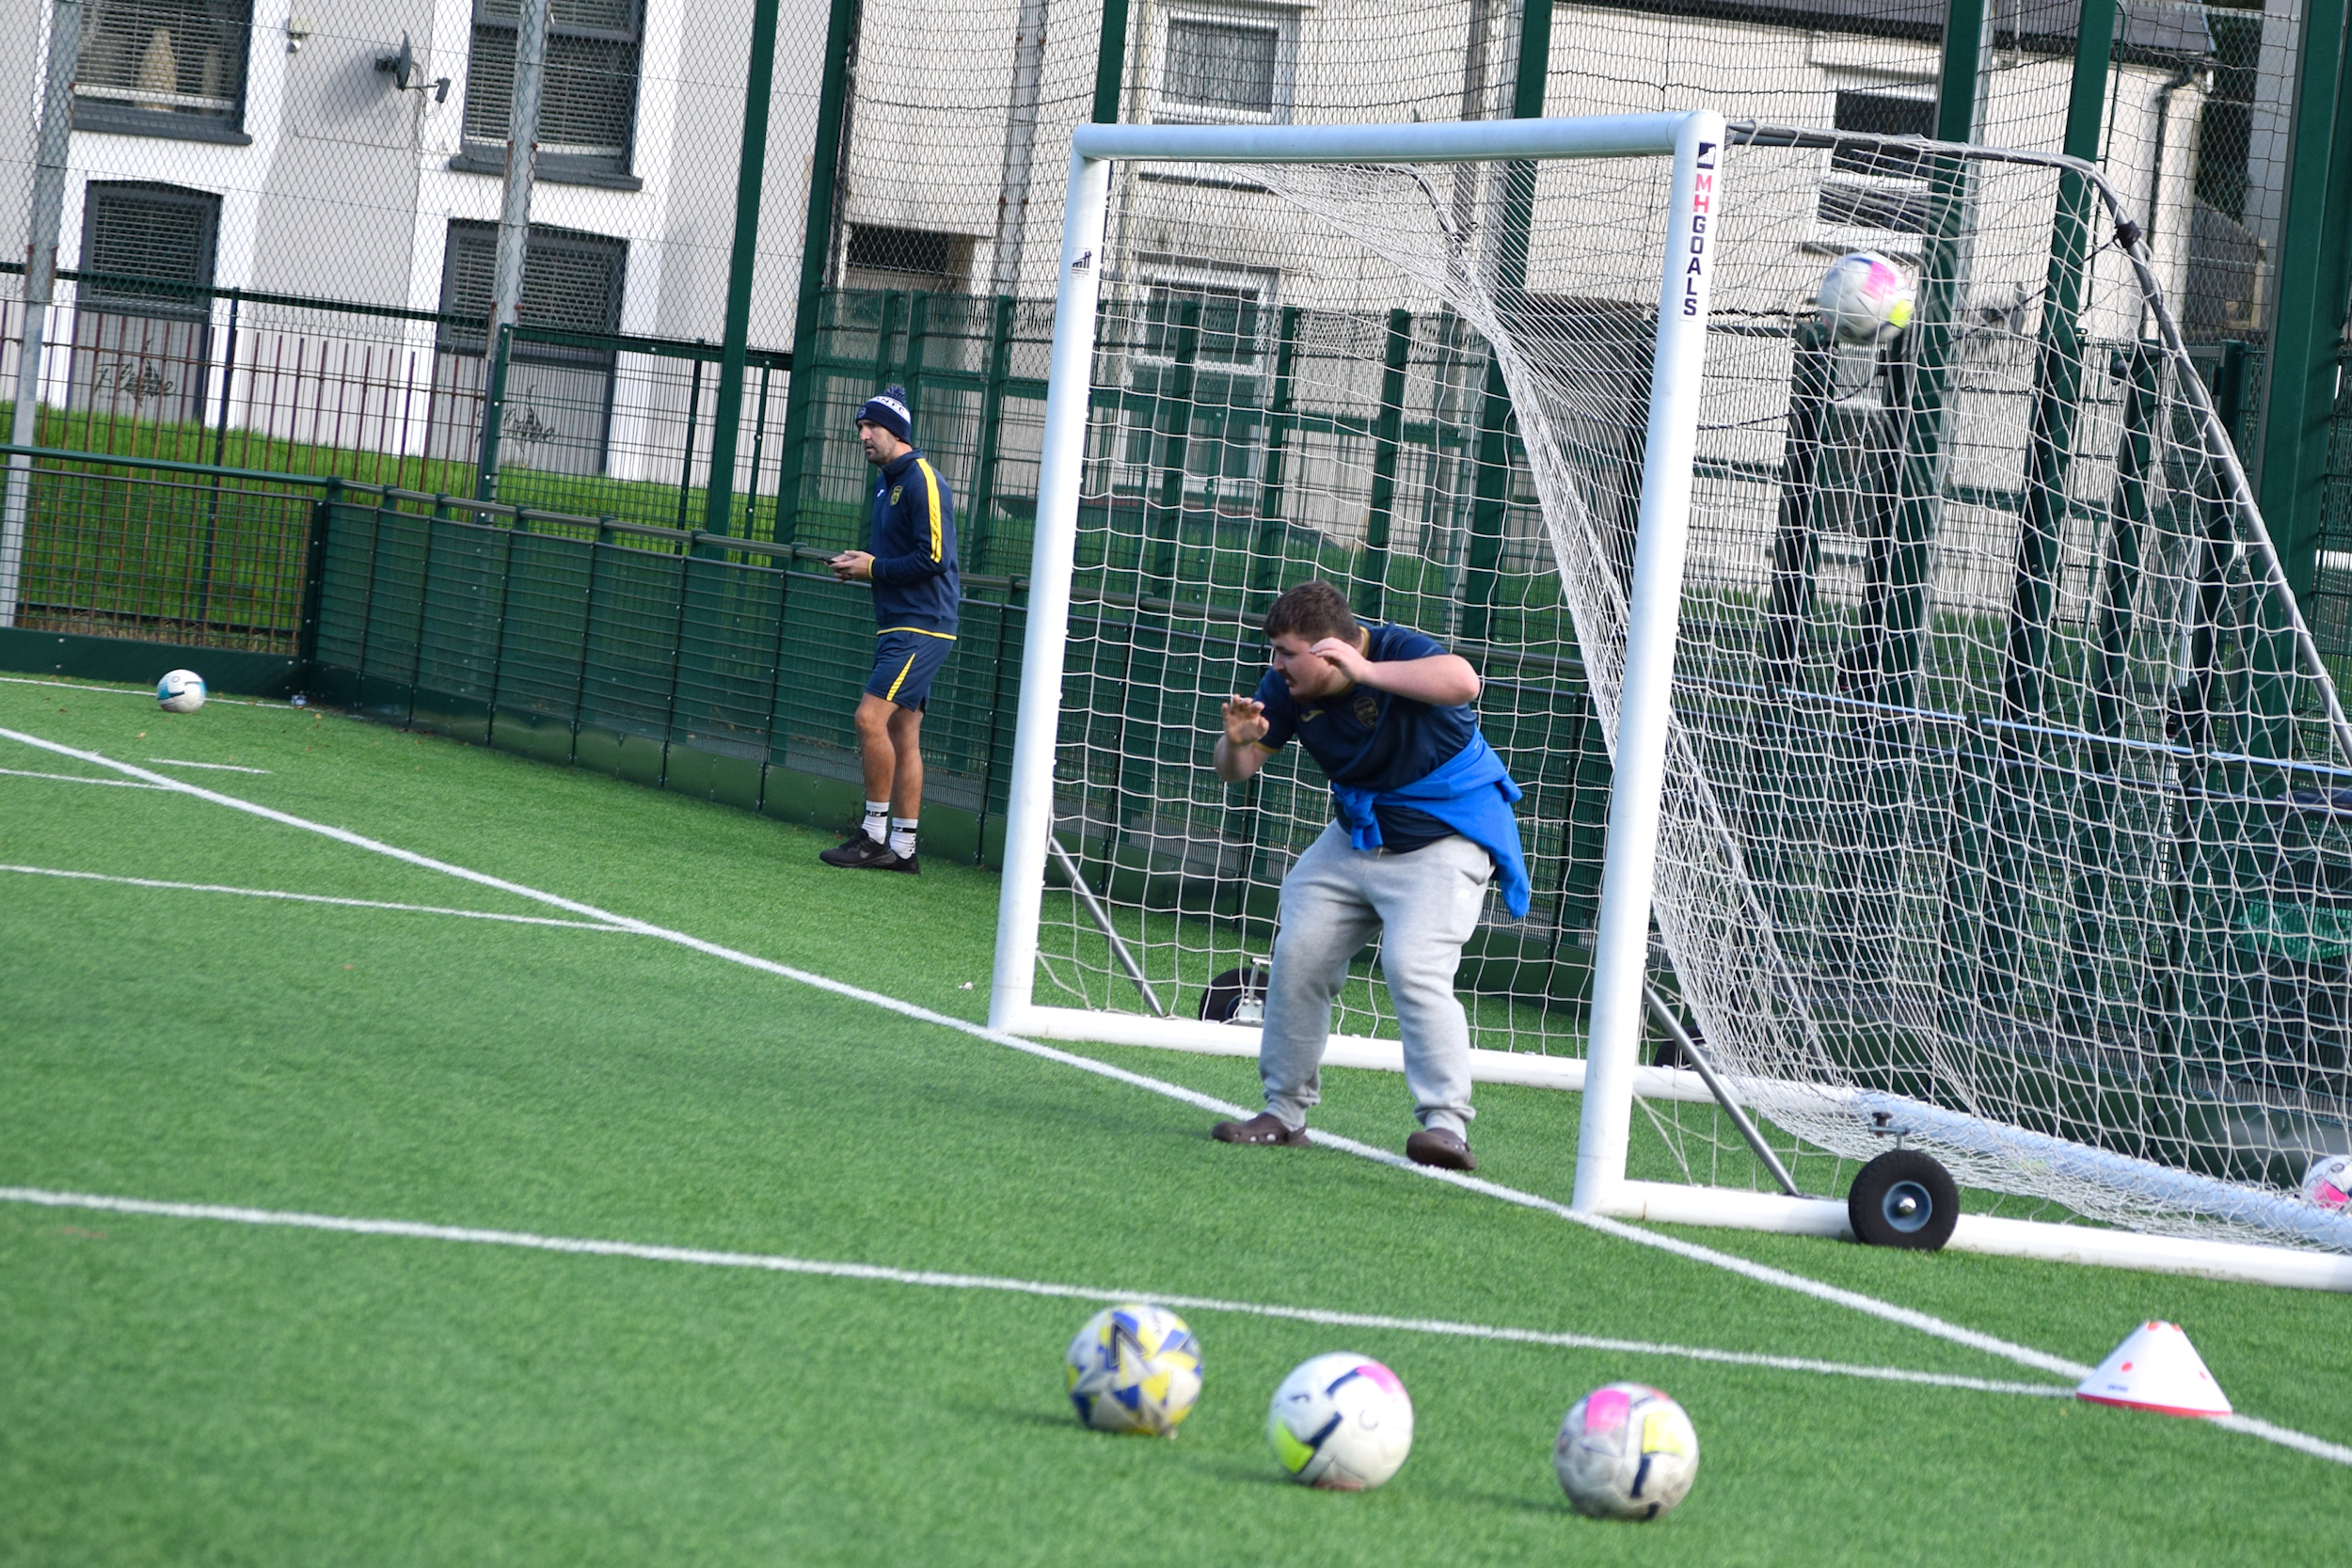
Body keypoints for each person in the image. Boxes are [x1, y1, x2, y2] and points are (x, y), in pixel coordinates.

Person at [1207, 580, 1531, 1171]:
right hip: (1358, 837)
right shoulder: (1282, 687)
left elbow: (1465, 681)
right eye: (1274, 652)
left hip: (1444, 839)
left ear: (1329, 648)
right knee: (1298, 954)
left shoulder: (1396, 649)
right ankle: (1283, 1114)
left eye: (1287, 653)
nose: (1276, 666)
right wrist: (1236, 744)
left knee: (1414, 967)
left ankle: (1446, 1127)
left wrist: (1365, 671)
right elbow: (1239, 770)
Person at [818, 386, 958, 874]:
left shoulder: (921, 478)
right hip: (901, 624)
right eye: (860, 427)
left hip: (923, 626)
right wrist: (859, 564)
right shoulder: (886, 481)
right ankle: (903, 849)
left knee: (868, 719)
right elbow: (895, 557)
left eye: (870, 426)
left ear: (895, 430)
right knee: (902, 731)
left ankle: (873, 835)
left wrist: (872, 568)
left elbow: (936, 558)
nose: (863, 435)